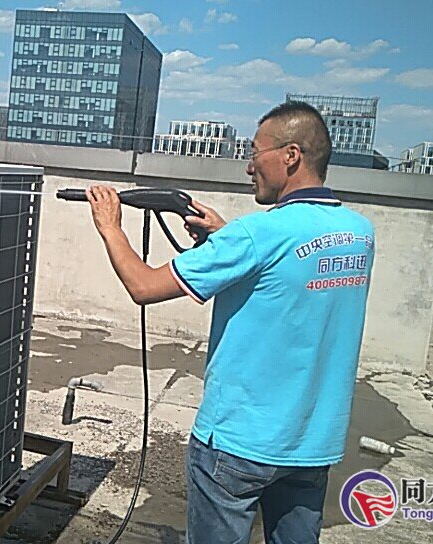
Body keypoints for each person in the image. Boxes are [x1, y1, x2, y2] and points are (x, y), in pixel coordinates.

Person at [85, 101, 375, 544]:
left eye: (255, 153)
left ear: (291, 155)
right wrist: (224, 236)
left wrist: (111, 227)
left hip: (238, 444)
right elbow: (290, 274)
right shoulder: (359, 233)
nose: (249, 166)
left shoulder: (255, 235)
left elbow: (143, 286)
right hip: (312, 444)